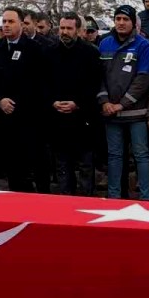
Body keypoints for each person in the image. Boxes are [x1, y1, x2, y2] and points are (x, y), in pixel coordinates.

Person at [0, 6, 50, 193]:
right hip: (4, 117)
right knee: (11, 166)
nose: (6, 25)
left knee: (32, 165)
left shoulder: (35, 49)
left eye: (11, 22)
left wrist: (17, 102)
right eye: (4, 22)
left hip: (28, 118)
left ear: (21, 24)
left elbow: (39, 83)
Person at [97, 4, 149, 199]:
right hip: (110, 113)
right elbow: (100, 77)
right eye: (118, 19)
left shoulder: (143, 45)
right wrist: (104, 101)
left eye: (125, 19)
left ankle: (145, 197)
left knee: (141, 155)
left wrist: (122, 104)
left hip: (135, 113)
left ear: (133, 22)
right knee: (114, 156)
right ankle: (114, 198)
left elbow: (144, 78)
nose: (121, 23)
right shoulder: (104, 43)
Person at [47, 13, 102, 195]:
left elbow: (95, 84)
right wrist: (53, 102)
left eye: (69, 28)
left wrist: (77, 103)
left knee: (86, 166)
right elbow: (43, 82)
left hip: (83, 119)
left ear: (78, 30)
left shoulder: (91, 52)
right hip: (58, 119)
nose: (64, 32)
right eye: (62, 28)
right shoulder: (50, 52)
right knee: (63, 167)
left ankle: (87, 202)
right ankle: (65, 205)